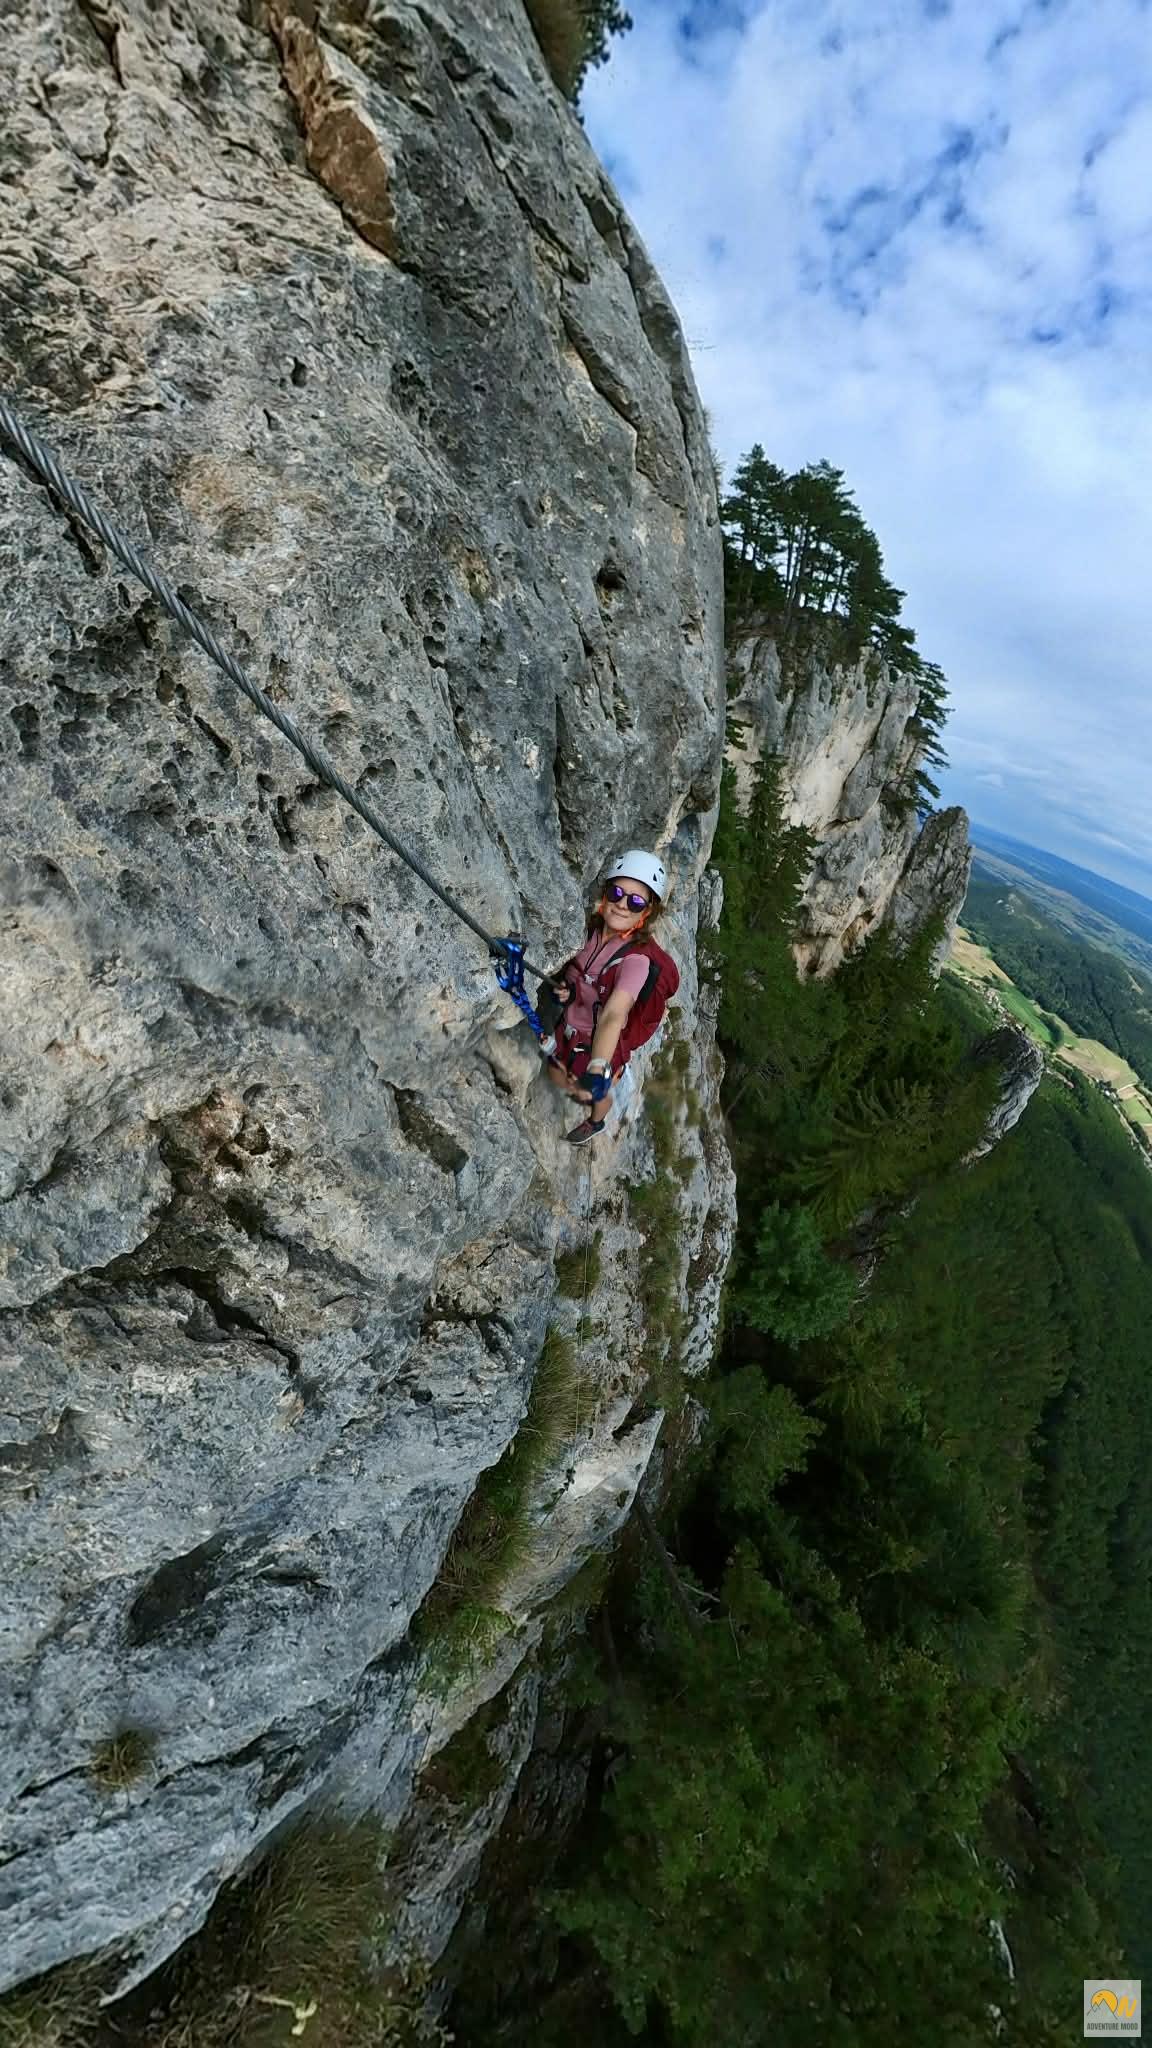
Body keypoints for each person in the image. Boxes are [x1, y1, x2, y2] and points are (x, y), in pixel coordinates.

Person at [544, 851, 672, 1146]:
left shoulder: (635, 961)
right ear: (606, 892)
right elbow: (582, 978)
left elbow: (614, 1013)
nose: (622, 904)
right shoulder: (586, 931)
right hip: (569, 1026)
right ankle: (587, 1090)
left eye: (635, 901)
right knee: (557, 1074)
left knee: (588, 1092)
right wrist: (570, 990)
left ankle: (597, 1119)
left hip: (597, 1043)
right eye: (617, 892)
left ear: (647, 912)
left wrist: (598, 1066)